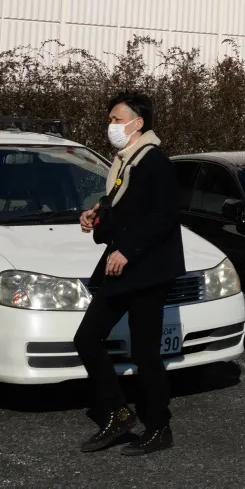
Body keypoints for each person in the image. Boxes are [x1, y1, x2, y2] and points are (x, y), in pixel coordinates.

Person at [74, 91, 185, 456]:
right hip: (120, 267)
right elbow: (122, 206)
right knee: (87, 338)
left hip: (148, 270)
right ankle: (119, 412)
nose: (112, 126)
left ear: (138, 123)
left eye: (117, 119)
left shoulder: (154, 161)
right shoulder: (123, 162)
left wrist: (128, 250)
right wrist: (97, 215)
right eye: (110, 119)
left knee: (146, 354)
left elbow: (164, 215)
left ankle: (158, 426)